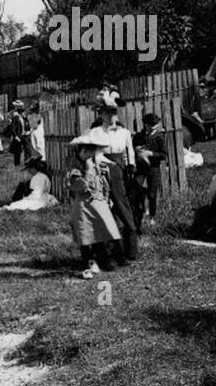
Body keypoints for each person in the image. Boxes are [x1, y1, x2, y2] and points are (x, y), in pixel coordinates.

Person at [66, 133, 121, 278]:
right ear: (80, 152)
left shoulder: (99, 166)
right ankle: (87, 265)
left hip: (99, 204)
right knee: (85, 235)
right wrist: (89, 171)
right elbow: (79, 186)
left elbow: (105, 184)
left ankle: (100, 260)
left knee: (101, 232)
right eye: (86, 151)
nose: (89, 155)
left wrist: (107, 198)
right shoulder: (75, 169)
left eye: (92, 151)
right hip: (84, 205)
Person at [96, 107, 138, 262]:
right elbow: (97, 153)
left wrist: (131, 164)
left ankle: (130, 250)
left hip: (120, 168)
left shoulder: (124, 132)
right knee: (104, 204)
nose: (111, 116)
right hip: (104, 167)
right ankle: (107, 252)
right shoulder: (97, 132)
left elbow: (129, 150)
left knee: (122, 203)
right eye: (107, 113)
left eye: (113, 113)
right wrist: (107, 165)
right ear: (101, 115)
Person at [132, 112, 169, 224]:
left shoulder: (159, 137)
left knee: (152, 194)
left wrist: (150, 153)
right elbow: (133, 150)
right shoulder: (138, 136)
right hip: (140, 168)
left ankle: (152, 216)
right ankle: (142, 212)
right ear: (146, 125)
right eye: (151, 125)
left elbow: (164, 155)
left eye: (155, 125)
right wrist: (137, 150)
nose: (153, 127)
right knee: (136, 189)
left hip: (153, 168)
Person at [5, 101, 29, 166]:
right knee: (17, 151)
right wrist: (15, 136)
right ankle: (17, 164)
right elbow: (13, 127)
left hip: (25, 134)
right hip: (18, 135)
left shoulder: (24, 116)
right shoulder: (15, 116)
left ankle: (27, 162)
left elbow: (26, 124)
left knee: (27, 148)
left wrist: (28, 131)